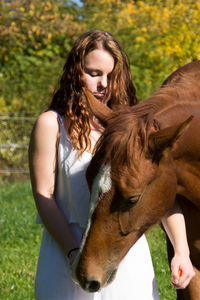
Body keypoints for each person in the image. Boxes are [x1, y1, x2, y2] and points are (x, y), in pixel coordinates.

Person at [29, 29, 195, 300]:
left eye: (110, 74)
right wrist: (74, 253)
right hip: (66, 253)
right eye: (94, 73)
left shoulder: (131, 129)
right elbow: (43, 195)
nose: (104, 83)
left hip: (126, 260)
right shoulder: (51, 124)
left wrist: (182, 251)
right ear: (75, 72)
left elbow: (160, 192)